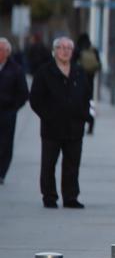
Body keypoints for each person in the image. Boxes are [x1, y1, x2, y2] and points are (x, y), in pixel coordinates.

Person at [29, 36, 91, 209]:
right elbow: (35, 99)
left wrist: (84, 115)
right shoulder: (44, 72)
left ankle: (71, 197)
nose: (65, 51)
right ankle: (49, 196)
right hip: (52, 127)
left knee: (72, 164)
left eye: (68, 48)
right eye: (61, 48)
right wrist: (47, 116)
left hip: (75, 127)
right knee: (49, 164)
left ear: (72, 52)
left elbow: (86, 95)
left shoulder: (79, 71)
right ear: (55, 51)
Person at [0, 38, 29, 185]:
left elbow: (24, 93)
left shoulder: (16, 69)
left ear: (7, 52)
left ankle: (1, 172)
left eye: (1, 50)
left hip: (7, 112)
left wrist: (13, 108)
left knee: (5, 143)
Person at [72, 33, 99, 134]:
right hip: (90, 83)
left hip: (78, 83)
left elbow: (72, 65)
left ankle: (80, 124)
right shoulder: (93, 50)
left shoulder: (78, 51)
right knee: (91, 105)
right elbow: (98, 65)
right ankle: (91, 125)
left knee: (79, 105)